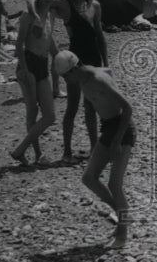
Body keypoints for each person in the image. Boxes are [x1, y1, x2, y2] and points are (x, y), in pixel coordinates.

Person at [52, 52, 134, 248]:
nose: (65, 81)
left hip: (122, 129)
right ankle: (122, 214)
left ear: (73, 70)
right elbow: (108, 74)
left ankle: (122, 235)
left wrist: (116, 142)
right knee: (89, 177)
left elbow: (127, 108)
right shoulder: (87, 78)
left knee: (115, 184)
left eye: (65, 77)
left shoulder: (97, 79)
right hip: (108, 127)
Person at [53, 0, 108, 162]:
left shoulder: (95, 5)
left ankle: (94, 148)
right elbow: (42, 2)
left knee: (91, 105)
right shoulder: (65, 5)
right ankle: (67, 151)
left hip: (93, 57)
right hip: (75, 60)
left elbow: (100, 34)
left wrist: (106, 63)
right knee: (72, 106)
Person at [10, 0, 59, 165]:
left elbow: (49, 36)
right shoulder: (28, 15)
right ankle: (37, 153)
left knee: (49, 115)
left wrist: (57, 55)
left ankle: (21, 149)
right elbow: (20, 44)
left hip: (43, 64)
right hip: (28, 64)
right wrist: (24, 68)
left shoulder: (51, 13)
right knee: (32, 111)